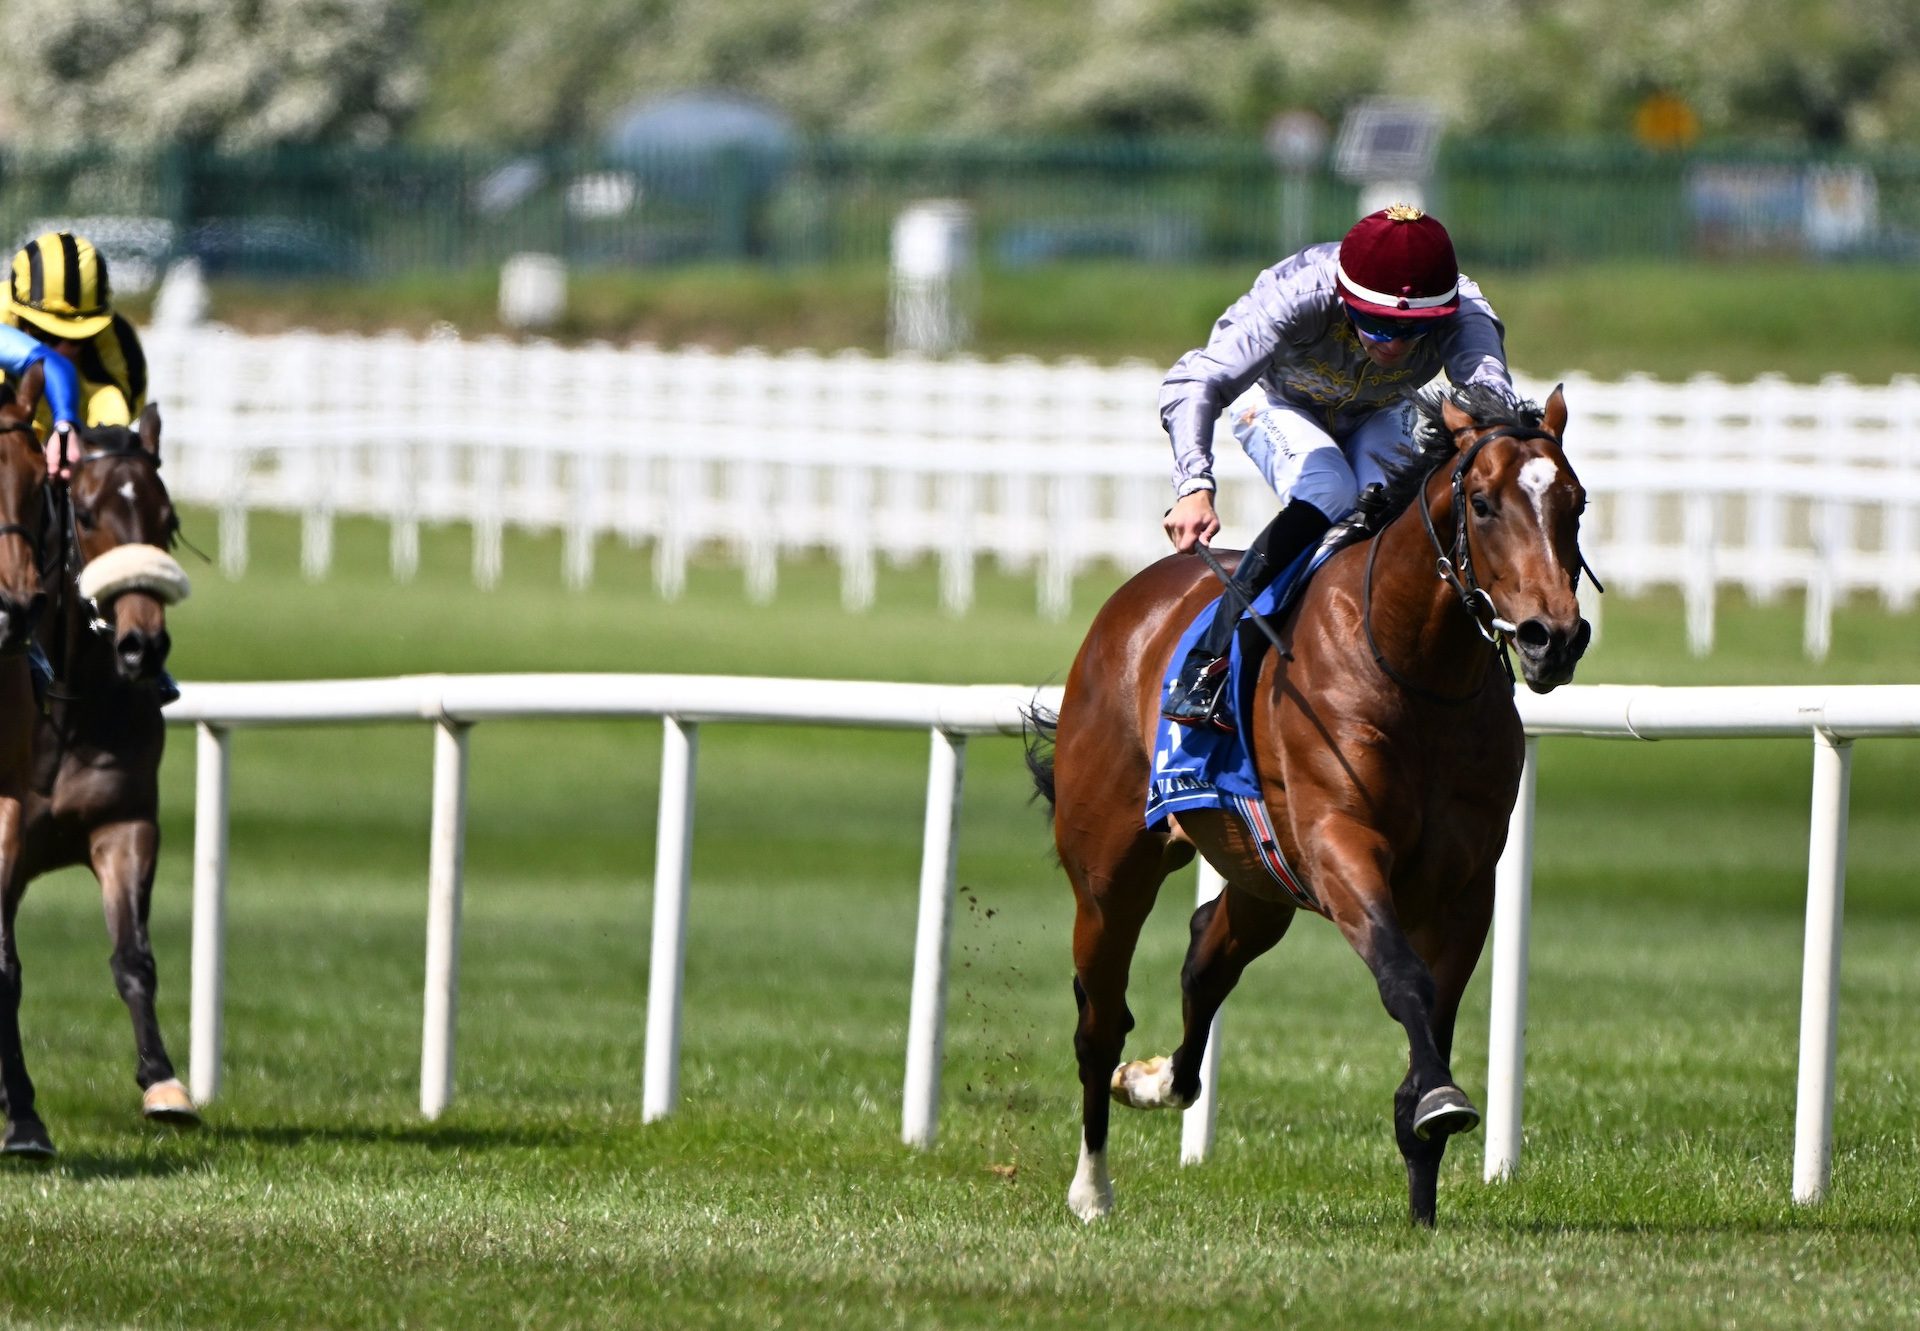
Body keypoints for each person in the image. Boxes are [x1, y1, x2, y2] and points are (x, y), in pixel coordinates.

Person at [1157, 203, 1514, 728]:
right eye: (1375, 323)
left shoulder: (1466, 311)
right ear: (1344, 298)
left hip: (1380, 409)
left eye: (1410, 329)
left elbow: (1492, 403)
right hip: (1279, 402)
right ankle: (1209, 661)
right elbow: (1198, 381)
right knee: (1330, 490)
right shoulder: (1299, 292)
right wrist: (1193, 483)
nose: (1391, 344)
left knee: (1389, 518)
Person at [5, 229, 148, 480]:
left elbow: (114, 405)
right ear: (18, 316)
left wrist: (95, 442)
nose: (60, 350)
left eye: (76, 338)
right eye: (45, 336)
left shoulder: (118, 340)